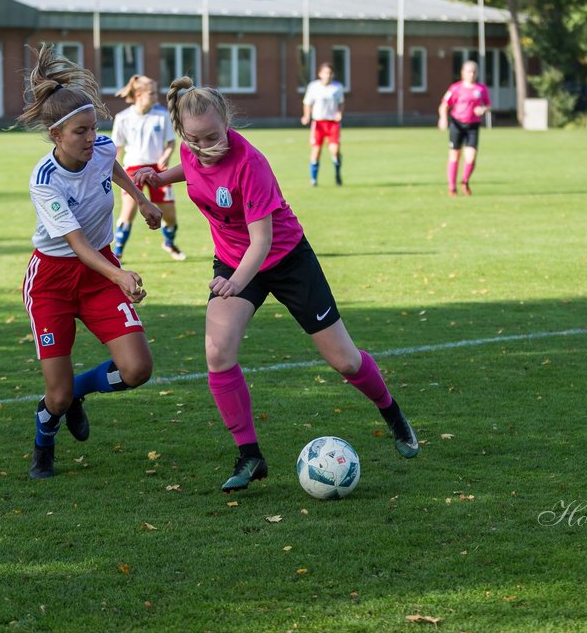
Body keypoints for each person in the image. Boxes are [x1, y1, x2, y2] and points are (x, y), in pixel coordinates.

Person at [133, 77, 419, 494]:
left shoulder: (251, 163)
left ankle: (392, 413)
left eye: (213, 136)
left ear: (227, 123)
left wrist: (235, 283)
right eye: (194, 139)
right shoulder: (193, 149)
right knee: (217, 352)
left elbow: (262, 240)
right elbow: (194, 169)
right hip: (234, 261)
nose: (205, 146)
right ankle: (250, 455)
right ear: (183, 134)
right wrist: (160, 179)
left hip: (286, 261)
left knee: (346, 362)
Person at [15, 44, 163, 479]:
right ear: (55, 135)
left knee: (137, 369)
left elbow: (111, 162)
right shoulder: (44, 181)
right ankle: (45, 444)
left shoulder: (98, 147)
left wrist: (141, 199)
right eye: (79, 132)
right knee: (54, 398)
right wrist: (119, 273)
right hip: (54, 279)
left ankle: (80, 393)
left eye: (93, 127)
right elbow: (76, 244)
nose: (90, 138)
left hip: (97, 270)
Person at [110, 74, 186, 261]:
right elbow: (116, 147)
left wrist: (165, 157)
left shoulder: (161, 115)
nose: (155, 97)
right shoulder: (123, 118)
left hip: (158, 170)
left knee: (169, 216)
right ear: (139, 95)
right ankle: (117, 252)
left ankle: (169, 243)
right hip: (132, 169)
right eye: (151, 93)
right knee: (128, 211)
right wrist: (111, 166)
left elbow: (170, 143)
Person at [438, 60, 490, 196]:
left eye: (474, 72)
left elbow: (488, 106)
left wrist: (483, 110)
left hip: (473, 125)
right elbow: (444, 105)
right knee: (455, 155)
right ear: (462, 73)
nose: (471, 74)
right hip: (457, 124)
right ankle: (452, 188)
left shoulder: (481, 89)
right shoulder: (455, 88)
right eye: (468, 71)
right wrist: (443, 119)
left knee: (471, 157)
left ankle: (465, 181)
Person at [301, 62, 345, 186]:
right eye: (326, 72)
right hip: (318, 123)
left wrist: (339, 113)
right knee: (316, 151)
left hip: (332, 123)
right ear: (320, 74)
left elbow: (341, 102)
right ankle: (313, 180)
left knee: (335, 151)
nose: (328, 75)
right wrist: (306, 116)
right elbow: (307, 103)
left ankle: (337, 174)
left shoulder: (337, 87)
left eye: (330, 73)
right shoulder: (313, 86)